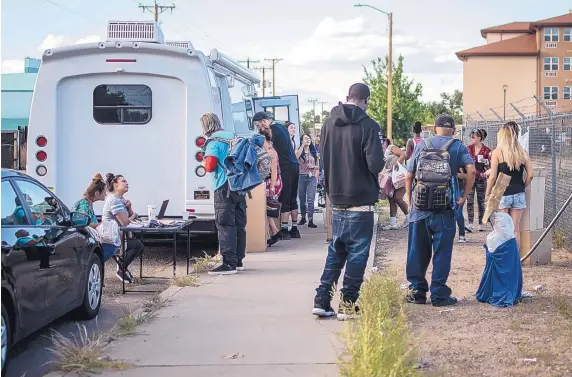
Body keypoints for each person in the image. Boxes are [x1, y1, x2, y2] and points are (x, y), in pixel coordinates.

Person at [312, 83, 384, 320]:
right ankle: (348, 303)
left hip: (337, 197)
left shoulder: (329, 122)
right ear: (367, 101)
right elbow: (375, 165)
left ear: (347, 97)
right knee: (357, 253)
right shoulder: (369, 126)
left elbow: (322, 158)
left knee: (336, 251)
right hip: (361, 199)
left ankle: (322, 299)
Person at [405, 114, 475, 307]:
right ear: (452, 130)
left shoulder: (422, 144)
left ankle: (417, 293)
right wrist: (464, 195)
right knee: (442, 253)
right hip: (445, 209)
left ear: (435, 128)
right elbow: (472, 170)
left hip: (419, 209)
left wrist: (411, 201)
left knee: (416, 252)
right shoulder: (458, 146)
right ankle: (439, 295)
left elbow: (409, 175)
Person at [201, 113, 247, 275]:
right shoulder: (232, 136)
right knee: (239, 223)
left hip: (223, 185)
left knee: (225, 223)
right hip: (239, 184)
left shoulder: (213, 141)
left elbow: (210, 166)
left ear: (206, 127)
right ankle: (239, 260)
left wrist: (203, 162)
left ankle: (229, 263)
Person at [485, 122, 534, 250]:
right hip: (518, 192)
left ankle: (505, 258)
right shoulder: (522, 152)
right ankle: (515, 259)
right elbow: (531, 174)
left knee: (502, 230)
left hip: (502, 193)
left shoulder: (497, 152)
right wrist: (523, 186)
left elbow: (493, 176)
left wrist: (488, 192)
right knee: (515, 229)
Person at [252, 112, 301, 240]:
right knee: (292, 199)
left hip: (284, 167)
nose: (258, 128)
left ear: (263, 121)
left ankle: (284, 231)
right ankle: (294, 229)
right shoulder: (282, 127)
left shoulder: (271, 131)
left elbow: (266, 150)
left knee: (284, 199)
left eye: (258, 125)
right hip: (294, 165)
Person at [102, 173, 144, 283]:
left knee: (140, 247)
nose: (127, 183)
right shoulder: (114, 200)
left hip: (119, 233)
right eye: (123, 181)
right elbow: (125, 222)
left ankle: (122, 264)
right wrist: (134, 215)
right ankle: (121, 269)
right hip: (111, 236)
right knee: (136, 245)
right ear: (115, 185)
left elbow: (128, 216)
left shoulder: (119, 199)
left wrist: (129, 207)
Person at [71, 174, 119, 263]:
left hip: (87, 240)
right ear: (97, 193)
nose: (105, 194)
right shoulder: (84, 204)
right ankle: (94, 264)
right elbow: (83, 223)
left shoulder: (87, 203)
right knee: (111, 247)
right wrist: (100, 224)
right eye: (104, 191)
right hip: (84, 242)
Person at [259, 125, 283, 246]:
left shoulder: (270, 152)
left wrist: (272, 186)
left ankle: (274, 232)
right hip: (271, 181)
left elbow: (273, 170)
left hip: (271, 182)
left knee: (267, 208)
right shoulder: (270, 150)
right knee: (266, 208)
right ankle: (273, 233)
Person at [466, 129, 491, 232]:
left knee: (481, 201)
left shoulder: (486, 150)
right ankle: (470, 223)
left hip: (481, 178)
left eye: (473, 137)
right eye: (471, 137)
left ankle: (481, 223)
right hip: (470, 178)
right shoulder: (468, 149)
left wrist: (485, 162)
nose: (471, 139)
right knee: (470, 200)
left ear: (479, 138)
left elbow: (491, 164)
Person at [381, 138, 408, 230]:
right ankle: (393, 223)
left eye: (382, 143)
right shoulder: (380, 153)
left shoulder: (390, 148)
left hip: (400, 175)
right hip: (391, 177)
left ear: (386, 143)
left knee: (398, 198)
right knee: (391, 200)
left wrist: (396, 164)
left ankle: (410, 218)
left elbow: (403, 154)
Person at [296, 133, 319, 228]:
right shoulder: (299, 150)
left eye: (309, 138)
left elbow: (318, 166)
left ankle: (310, 219)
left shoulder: (314, 152)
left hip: (311, 177)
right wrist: (302, 145)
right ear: (302, 140)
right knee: (302, 199)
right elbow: (296, 156)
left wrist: (314, 166)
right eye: (305, 138)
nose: (308, 140)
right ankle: (303, 217)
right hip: (301, 177)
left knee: (311, 198)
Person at [455, 167, 468, 243]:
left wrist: (454, 174)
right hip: (447, 189)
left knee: (458, 212)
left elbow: (466, 176)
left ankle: (461, 234)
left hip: (460, 190)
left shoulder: (460, 160)